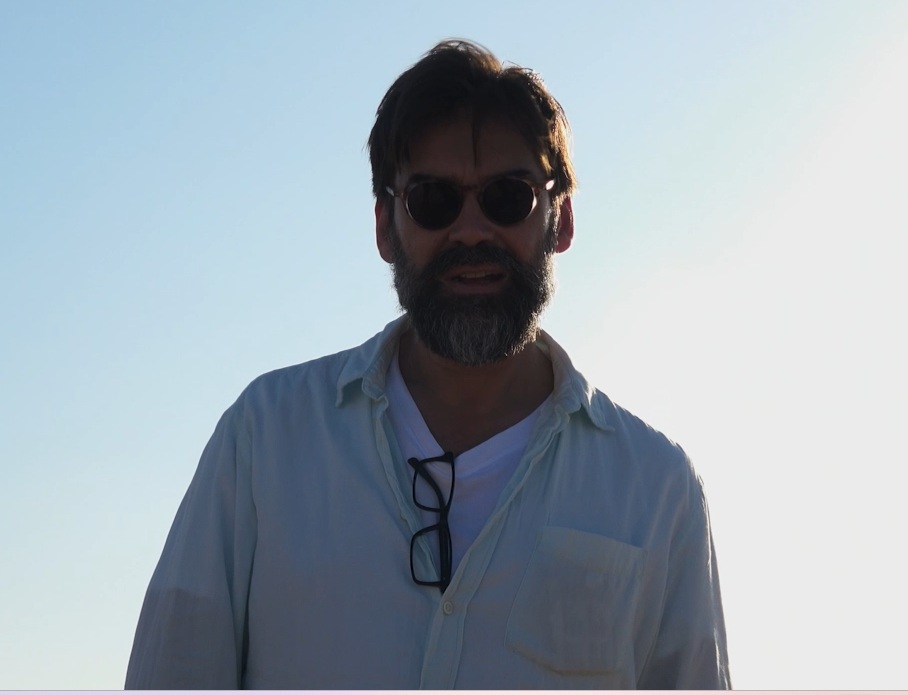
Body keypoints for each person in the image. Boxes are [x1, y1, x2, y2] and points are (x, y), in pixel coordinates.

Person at [126, 39, 730, 690]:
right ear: (385, 226)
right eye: (434, 200)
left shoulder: (657, 491)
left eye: (508, 196)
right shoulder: (264, 441)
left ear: (562, 220)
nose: (471, 230)